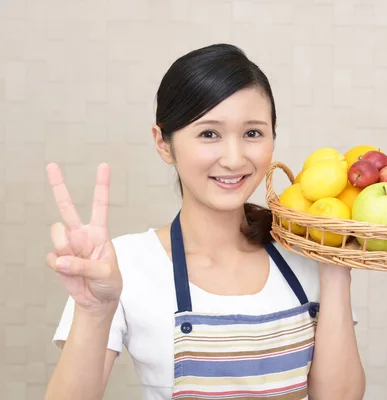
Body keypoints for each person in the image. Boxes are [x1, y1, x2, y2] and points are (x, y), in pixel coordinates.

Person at [44, 43, 366, 400]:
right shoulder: (123, 266)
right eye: (209, 133)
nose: (233, 158)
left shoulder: (304, 254)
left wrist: (335, 263)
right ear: (164, 144)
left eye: (253, 133)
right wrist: (94, 312)